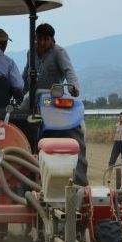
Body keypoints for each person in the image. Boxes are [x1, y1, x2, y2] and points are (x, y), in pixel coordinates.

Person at [22, 23, 88, 186]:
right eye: (39, 39)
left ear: (52, 39)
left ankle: (77, 183)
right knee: (16, 118)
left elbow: (68, 71)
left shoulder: (59, 52)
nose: (42, 43)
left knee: (69, 126)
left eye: (46, 39)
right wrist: (17, 91)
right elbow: (25, 75)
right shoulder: (31, 52)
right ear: (35, 39)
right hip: (33, 98)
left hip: (51, 98)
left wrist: (74, 85)